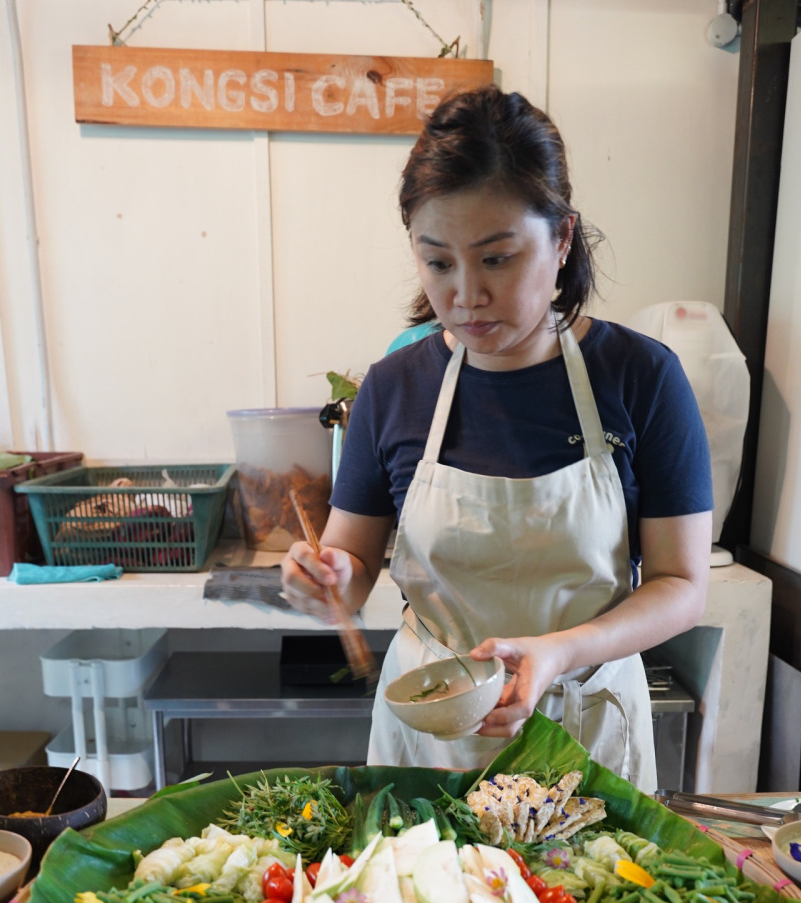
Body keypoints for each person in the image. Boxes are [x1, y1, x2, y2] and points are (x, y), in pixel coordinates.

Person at [281, 85, 713, 792]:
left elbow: (679, 585)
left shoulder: (640, 377)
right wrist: (319, 581)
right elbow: (350, 569)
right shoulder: (392, 388)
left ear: (562, 237)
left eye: (496, 258)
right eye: (438, 261)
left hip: (585, 722)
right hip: (432, 729)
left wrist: (557, 652)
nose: (464, 295)